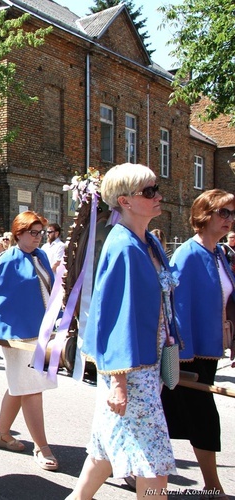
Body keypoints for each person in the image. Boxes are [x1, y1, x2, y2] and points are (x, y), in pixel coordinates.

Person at [67, 163, 176, 500]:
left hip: (147, 362)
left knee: (104, 448)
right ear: (125, 201)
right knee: (154, 464)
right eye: (149, 191)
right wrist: (119, 381)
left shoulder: (147, 243)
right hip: (132, 368)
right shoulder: (124, 246)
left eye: (155, 187)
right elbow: (114, 315)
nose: (158, 195)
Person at [161, 189, 233, 498]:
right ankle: (212, 485)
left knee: (166, 415)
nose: (230, 219)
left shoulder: (219, 253)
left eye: (232, 213)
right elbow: (176, 306)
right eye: (224, 213)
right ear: (204, 216)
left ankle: (121, 464)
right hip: (189, 353)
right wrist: (181, 355)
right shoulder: (188, 253)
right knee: (200, 415)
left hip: (210, 349)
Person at [0, 211, 59, 472]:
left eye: (41, 233)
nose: (39, 237)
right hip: (18, 336)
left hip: (41, 331)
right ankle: (42, 447)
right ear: (18, 234)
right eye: (33, 233)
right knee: (31, 388)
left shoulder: (41, 256)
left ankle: (1, 433)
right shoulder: (8, 259)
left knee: (20, 385)